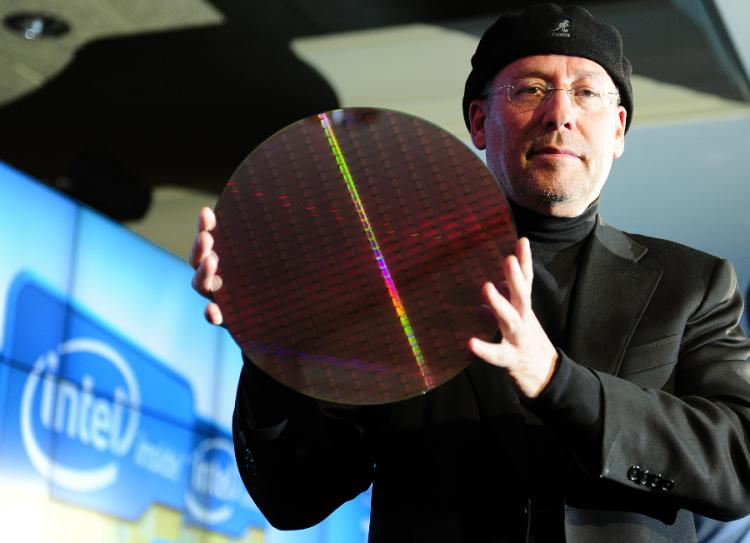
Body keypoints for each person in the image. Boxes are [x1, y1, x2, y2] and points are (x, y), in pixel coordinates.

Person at [190, 4, 750, 542]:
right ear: (480, 122)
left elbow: (740, 461)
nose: (561, 114)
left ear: (619, 129)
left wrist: (557, 380)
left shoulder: (692, 284)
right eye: (531, 89)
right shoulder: (394, 282)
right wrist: (270, 346)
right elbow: (293, 496)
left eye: (586, 93)